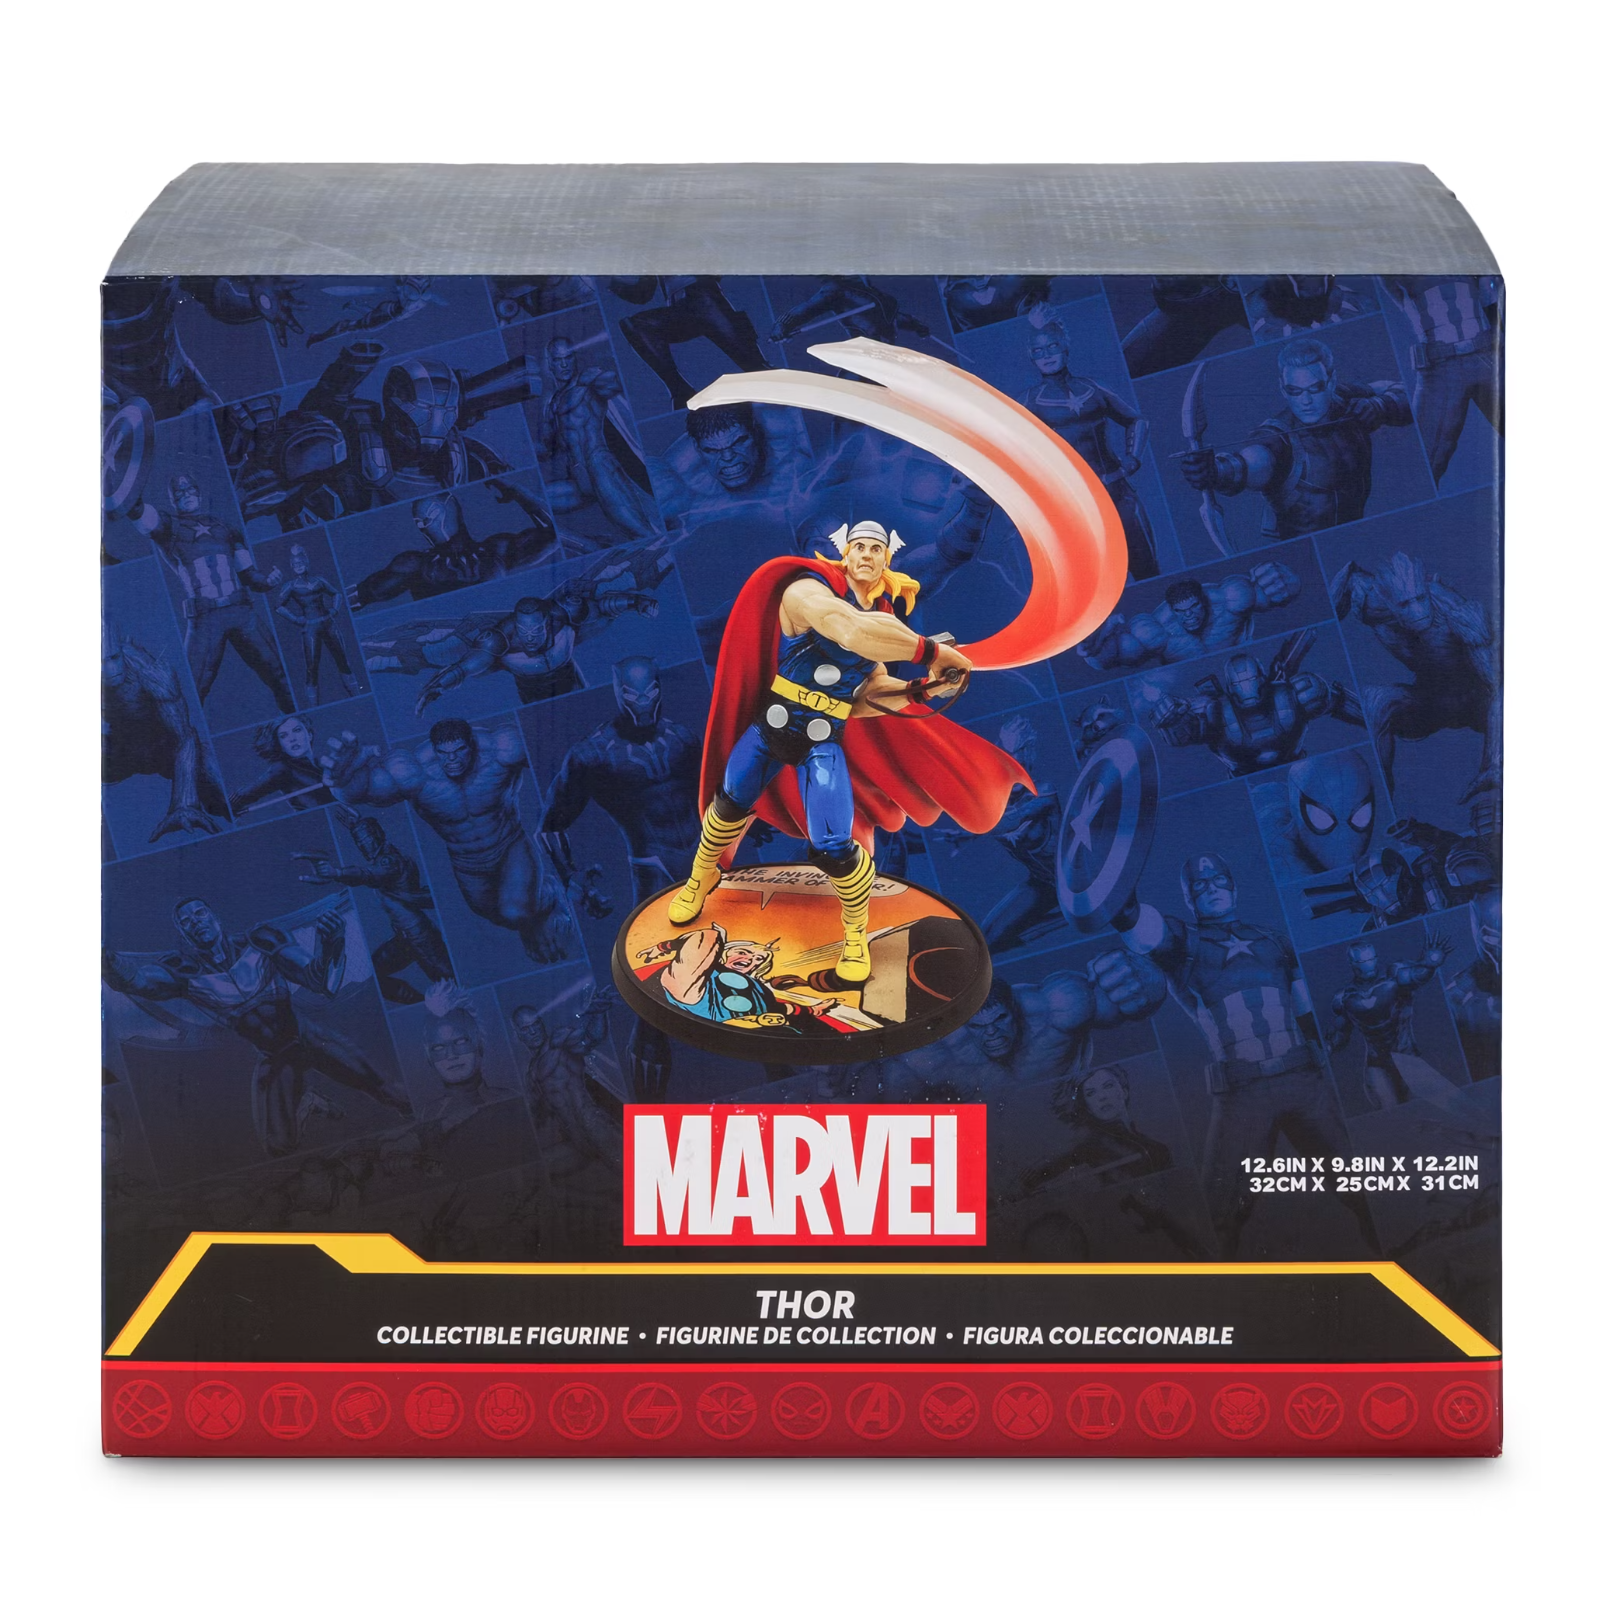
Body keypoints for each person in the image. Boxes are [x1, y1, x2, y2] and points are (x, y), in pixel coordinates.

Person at [672, 521, 1024, 983]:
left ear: (886, 559)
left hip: (822, 741)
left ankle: (856, 936)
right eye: (858, 546)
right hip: (769, 727)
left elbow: (868, 695)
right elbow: (846, 628)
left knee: (835, 846)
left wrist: (921, 690)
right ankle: (700, 879)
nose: (866, 555)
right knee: (728, 805)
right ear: (844, 553)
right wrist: (931, 653)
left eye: (876, 548)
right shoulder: (806, 590)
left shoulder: (885, 622)